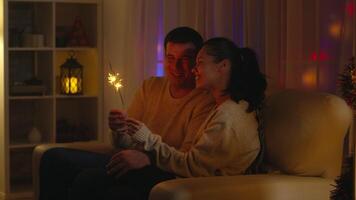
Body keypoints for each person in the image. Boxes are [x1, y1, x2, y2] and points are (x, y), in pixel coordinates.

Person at [69, 37, 267, 199]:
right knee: (93, 180)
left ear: (223, 66)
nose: (193, 70)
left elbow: (191, 166)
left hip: (197, 185)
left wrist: (148, 139)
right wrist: (122, 130)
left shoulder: (228, 117)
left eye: (198, 63)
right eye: (170, 58)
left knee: (93, 181)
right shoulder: (226, 108)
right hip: (179, 175)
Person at [39, 27, 215, 200]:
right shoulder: (151, 86)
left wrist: (147, 158)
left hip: (159, 171)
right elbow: (125, 142)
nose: (176, 66)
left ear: (197, 62)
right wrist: (119, 129)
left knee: (87, 179)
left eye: (185, 59)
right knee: (52, 157)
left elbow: (186, 160)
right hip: (130, 159)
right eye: (170, 58)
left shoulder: (204, 101)